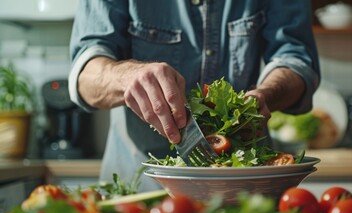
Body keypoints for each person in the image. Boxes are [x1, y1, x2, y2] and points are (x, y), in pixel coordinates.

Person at [68, 1, 320, 192]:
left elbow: (296, 59)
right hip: (140, 187)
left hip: (244, 191)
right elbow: (85, 76)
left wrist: (266, 95)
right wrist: (126, 77)